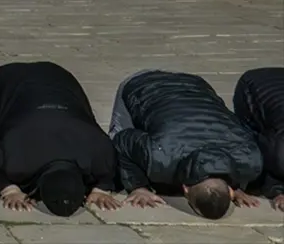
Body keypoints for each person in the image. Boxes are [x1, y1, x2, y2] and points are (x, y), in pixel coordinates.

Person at [110, 69, 262, 219]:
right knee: (113, 146)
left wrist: (239, 184)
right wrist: (137, 187)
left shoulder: (251, 161)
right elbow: (122, 141)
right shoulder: (159, 155)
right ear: (185, 189)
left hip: (195, 83)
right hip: (140, 85)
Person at [0, 62, 118, 216]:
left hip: (59, 77)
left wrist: (101, 189)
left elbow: (108, 172)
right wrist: (9, 189)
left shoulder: (100, 152)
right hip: (9, 80)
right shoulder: (15, 157)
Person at [233, 67, 284, 211]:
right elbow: (259, 162)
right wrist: (277, 192)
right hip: (251, 87)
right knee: (249, 136)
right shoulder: (279, 151)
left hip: (274, 87)